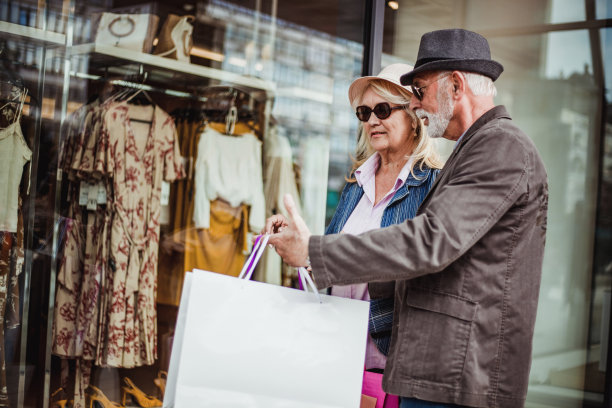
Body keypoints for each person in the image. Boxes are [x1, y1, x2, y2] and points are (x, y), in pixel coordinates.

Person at [265, 28, 548, 408]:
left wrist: (315, 253)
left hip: (457, 378)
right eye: (365, 113)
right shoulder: (478, 148)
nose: (416, 104)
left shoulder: (500, 146)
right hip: (440, 373)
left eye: (420, 89)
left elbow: (428, 243)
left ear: (456, 86)